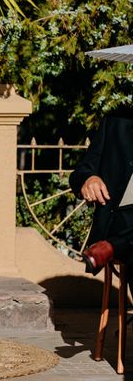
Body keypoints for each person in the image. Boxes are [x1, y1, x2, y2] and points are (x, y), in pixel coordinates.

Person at [69, 107, 133, 274]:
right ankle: (114, 245)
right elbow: (80, 172)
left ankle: (112, 247)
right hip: (122, 223)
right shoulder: (115, 123)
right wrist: (89, 179)